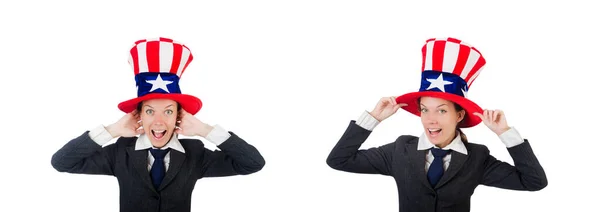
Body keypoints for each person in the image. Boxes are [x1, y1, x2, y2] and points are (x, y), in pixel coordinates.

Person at [326, 37, 547, 212]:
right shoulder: (400, 150)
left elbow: (534, 181)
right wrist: (373, 118)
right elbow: (339, 160)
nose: (431, 119)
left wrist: (505, 133)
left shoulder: (477, 158)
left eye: (441, 110)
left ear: (459, 116)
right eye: (425, 110)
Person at [51, 37, 265, 212]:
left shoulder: (195, 154)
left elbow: (253, 163)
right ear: (139, 116)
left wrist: (205, 130)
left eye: (169, 111)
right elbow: (62, 162)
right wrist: (113, 130)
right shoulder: (120, 152)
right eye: (150, 111)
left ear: (179, 116)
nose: (159, 121)